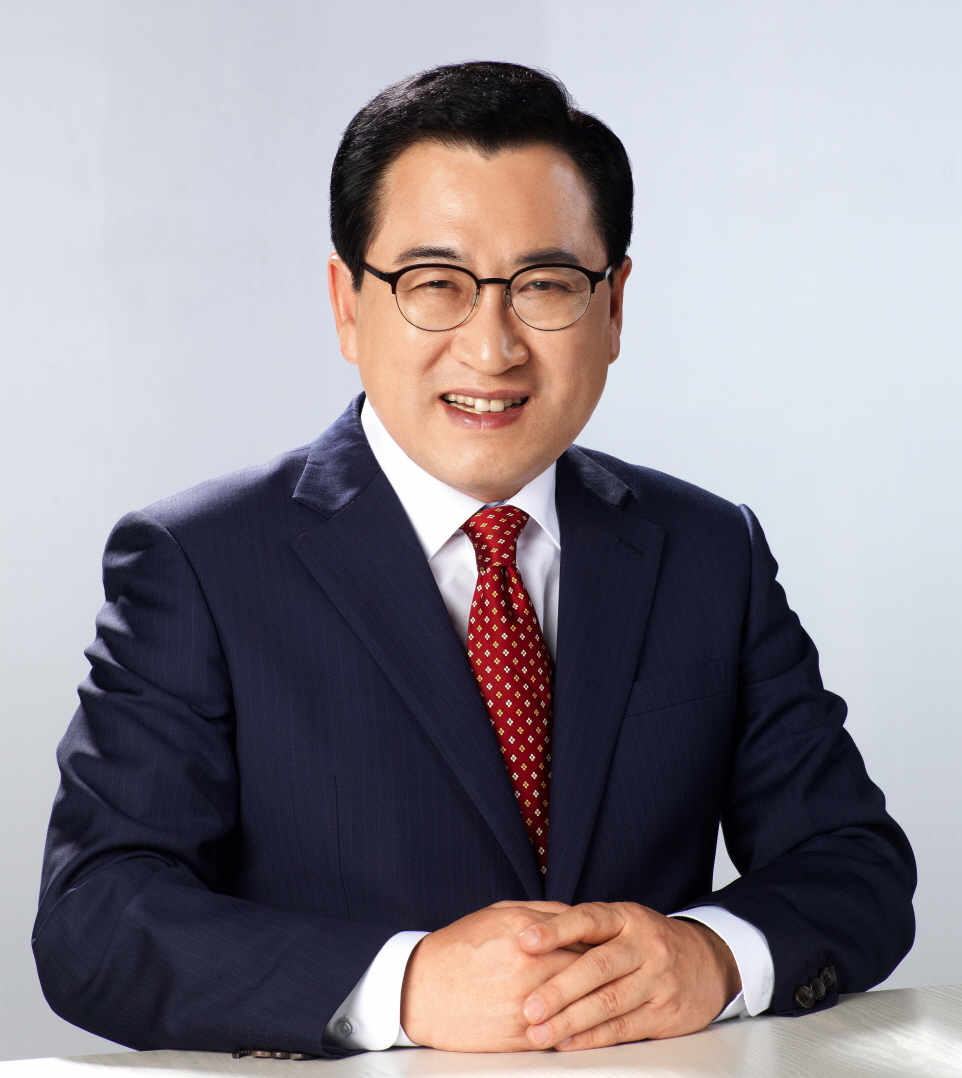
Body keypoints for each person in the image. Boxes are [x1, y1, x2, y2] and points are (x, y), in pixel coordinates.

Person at [34, 61, 915, 1058]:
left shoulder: (710, 550)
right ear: (346, 303)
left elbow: (852, 861)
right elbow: (95, 916)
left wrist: (710, 956)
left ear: (614, 307)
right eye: (434, 285)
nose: (491, 348)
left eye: (545, 285)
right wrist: (405, 985)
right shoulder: (199, 563)